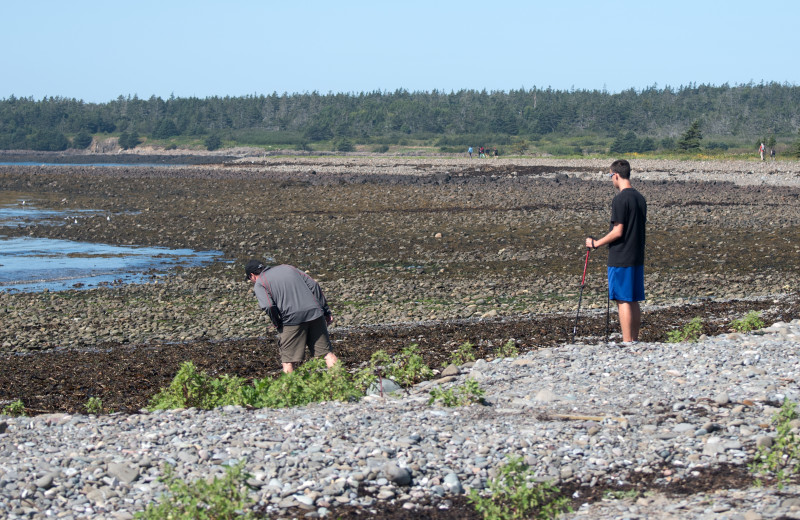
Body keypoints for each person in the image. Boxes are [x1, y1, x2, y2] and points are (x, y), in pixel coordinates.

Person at [584, 159, 647, 344]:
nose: (611, 180)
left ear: (616, 175)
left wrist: (596, 243)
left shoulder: (620, 199)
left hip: (622, 256)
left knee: (622, 300)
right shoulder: (640, 198)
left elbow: (618, 231)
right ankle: (634, 339)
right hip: (637, 255)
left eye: (611, 176)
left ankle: (627, 341)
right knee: (633, 299)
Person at [245, 260, 338, 373]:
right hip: (315, 313)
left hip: (291, 320)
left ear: (252, 275)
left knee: (288, 361)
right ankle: (340, 384)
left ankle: (290, 389)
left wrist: (277, 322)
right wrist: (326, 311)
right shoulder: (288, 268)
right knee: (327, 354)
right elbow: (314, 285)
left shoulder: (260, 282)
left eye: (250, 280)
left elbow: (268, 306)